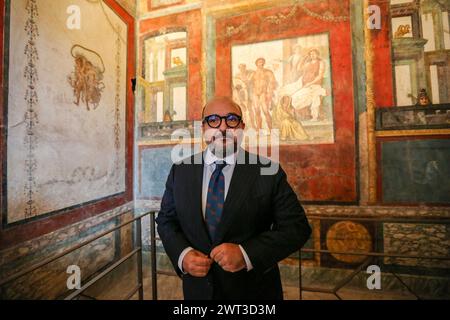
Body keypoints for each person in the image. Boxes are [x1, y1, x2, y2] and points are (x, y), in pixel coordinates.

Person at [156, 96, 312, 300]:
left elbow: (297, 228)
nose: (222, 127)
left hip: (253, 292)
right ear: (203, 128)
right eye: (213, 120)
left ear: (242, 127)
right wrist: (183, 255)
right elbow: (166, 221)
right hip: (198, 292)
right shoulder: (181, 170)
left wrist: (246, 253)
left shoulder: (268, 171)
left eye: (231, 119)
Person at [250, 58, 278, 130]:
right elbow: (249, 83)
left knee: (265, 111)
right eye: (259, 62)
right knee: (257, 111)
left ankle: (271, 129)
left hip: (263, 93)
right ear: (256, 64)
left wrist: (270, 93)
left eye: (262, 62)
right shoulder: (253, 73)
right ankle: (259, 129)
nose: (261, 64)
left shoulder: (268, 72)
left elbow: (273, 82)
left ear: (264, 63)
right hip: (255, 93)